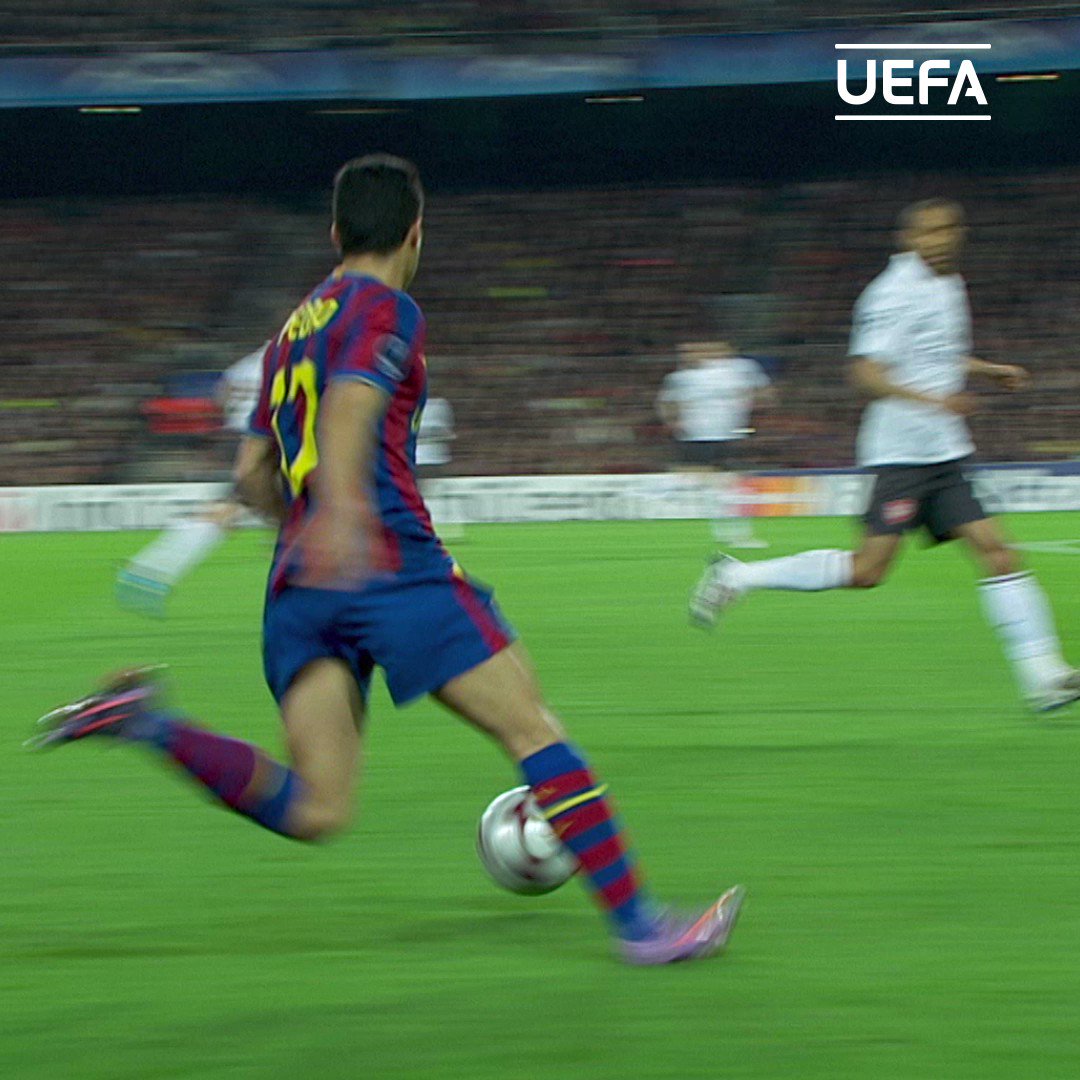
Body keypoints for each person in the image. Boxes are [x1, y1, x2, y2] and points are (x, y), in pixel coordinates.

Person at [32, 154, 743, 964]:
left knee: (318, 806)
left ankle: (147, 723)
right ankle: (642, 927)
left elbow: (251, 473)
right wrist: (344, 516)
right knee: (532, 727)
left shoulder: (289, 332)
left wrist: (306, 528)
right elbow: (350, 408)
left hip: (298, 585)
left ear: (336, 231)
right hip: (387, 562)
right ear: (415, 232)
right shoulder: (386, 309)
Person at [689, 198, 1079, 714]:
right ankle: (738, 575)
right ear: (908, 238)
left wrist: (989, 370)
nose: (940, 239)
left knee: (998, 552)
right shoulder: (891, 292)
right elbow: (866, 372)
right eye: (929, 231)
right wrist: (935, 401)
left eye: (948, 229)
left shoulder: (949, 283)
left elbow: (936, 353)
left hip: (945, 452)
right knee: (868, 570)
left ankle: (1044, 676)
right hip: (901, 454)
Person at [116, 344, 269, 616]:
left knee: (238, 510)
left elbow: (222, 394)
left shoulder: (249, 363)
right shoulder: (292, 356)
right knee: (226, 512)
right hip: (262, 441)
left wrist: (235, 415)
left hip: (236, 436)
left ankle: (150, 568)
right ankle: (151, 569)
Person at [657, 340, 773, 549]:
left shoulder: (741, 368)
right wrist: (674, 422)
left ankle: (735, 533)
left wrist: (750, 406)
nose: (688, 355)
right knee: (718, 486)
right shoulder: (682, 378)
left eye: (693, 350)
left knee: (732, 487)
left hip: (728, 437)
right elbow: (666, 403)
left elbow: (763, 391)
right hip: (697, 438)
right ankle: (732, 533)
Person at [416, 394, 464, 541]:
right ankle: (445, 527)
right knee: (435, 495)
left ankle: (433, 527)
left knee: (425, 496)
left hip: (429, 459)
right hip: (428, 459)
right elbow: (448, 433)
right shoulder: (439, 405)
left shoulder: (436, 405)